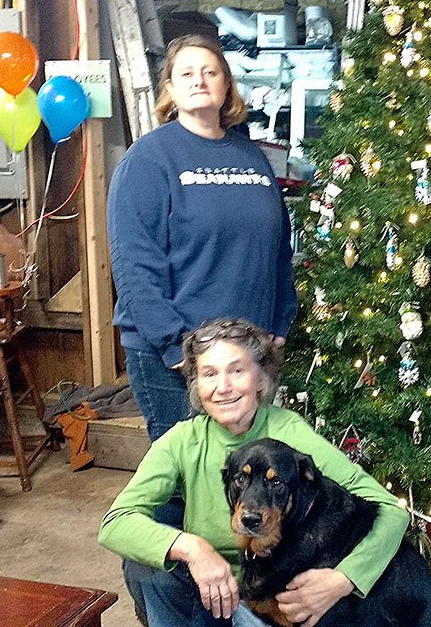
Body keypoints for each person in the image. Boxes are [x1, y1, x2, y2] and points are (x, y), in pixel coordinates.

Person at [99, 318, 409, 627]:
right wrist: (194, 548)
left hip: (274, 597)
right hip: (208, 590)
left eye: (236, 371)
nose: (223, 388)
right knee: (144, 568)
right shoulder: (182, 441)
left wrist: (343, 579)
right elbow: (115, 523)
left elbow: (394, 512)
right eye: (209, 374)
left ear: (260, 379)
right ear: (196, 385)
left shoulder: (288, 433)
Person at [107, 34, 297, 444]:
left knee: (241, 476)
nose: (199, 80)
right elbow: (133, 263)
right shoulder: (148, 159)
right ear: (170, 89)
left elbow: (278, 245)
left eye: (210, 72)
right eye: (186, 73)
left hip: (247, 353)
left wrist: (280, 320)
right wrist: (175, 347)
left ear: (226, 85)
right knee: (185, 482)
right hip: (178, 356)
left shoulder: (251, 156)